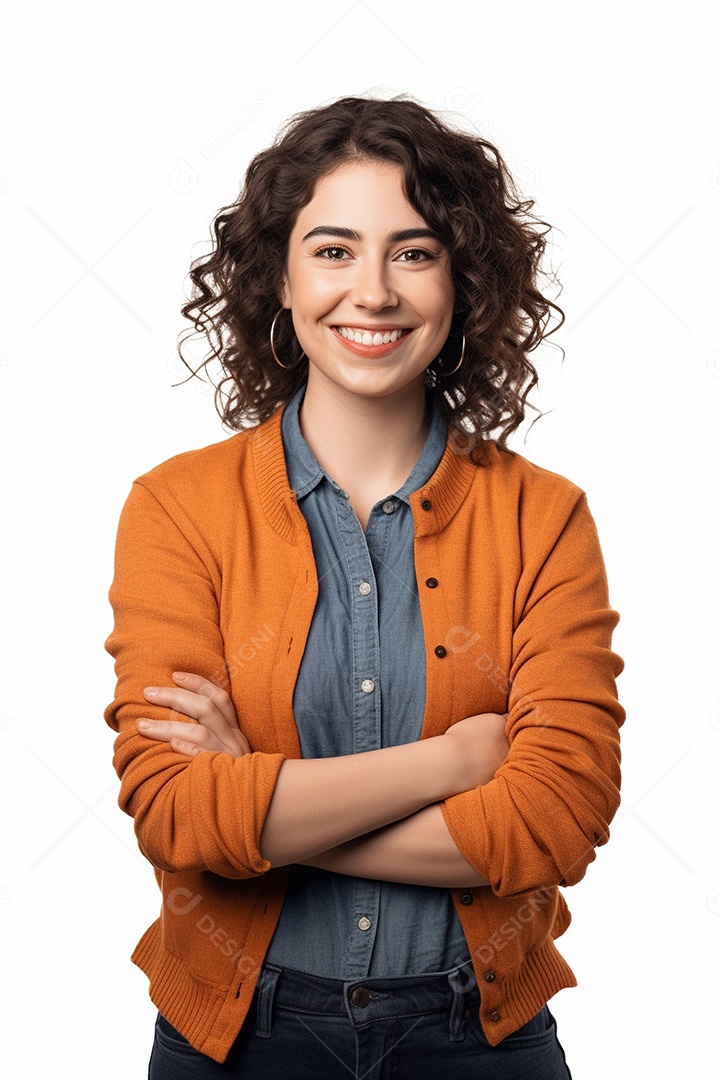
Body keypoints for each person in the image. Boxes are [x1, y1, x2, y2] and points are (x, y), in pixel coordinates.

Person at [103, 94, 624, 1079]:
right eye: (335, 251)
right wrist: (453, 763)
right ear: (281, 279)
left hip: (480, 1039)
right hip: (238, 1035)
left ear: (464, 282)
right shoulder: (178, 509)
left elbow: (555, 818)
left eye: (414, 251)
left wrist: (258, 814)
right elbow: (174, 812)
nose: (373, 292)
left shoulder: (542, 519)